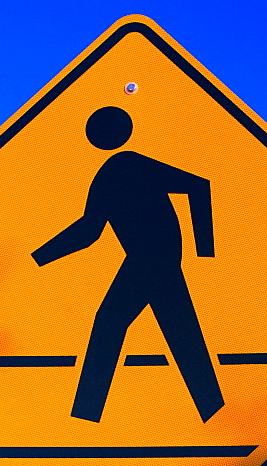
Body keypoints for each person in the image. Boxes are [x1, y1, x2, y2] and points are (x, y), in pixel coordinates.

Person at [32, 106, 224, 423]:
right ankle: (212, 409)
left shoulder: (128, 164)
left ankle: (85, 415)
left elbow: (198, 186)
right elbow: (90, 230)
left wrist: (205, 250)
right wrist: (39, 257)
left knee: (112, 322)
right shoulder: (108, 175)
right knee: (179, 332)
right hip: (147, 259)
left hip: (154, 258)